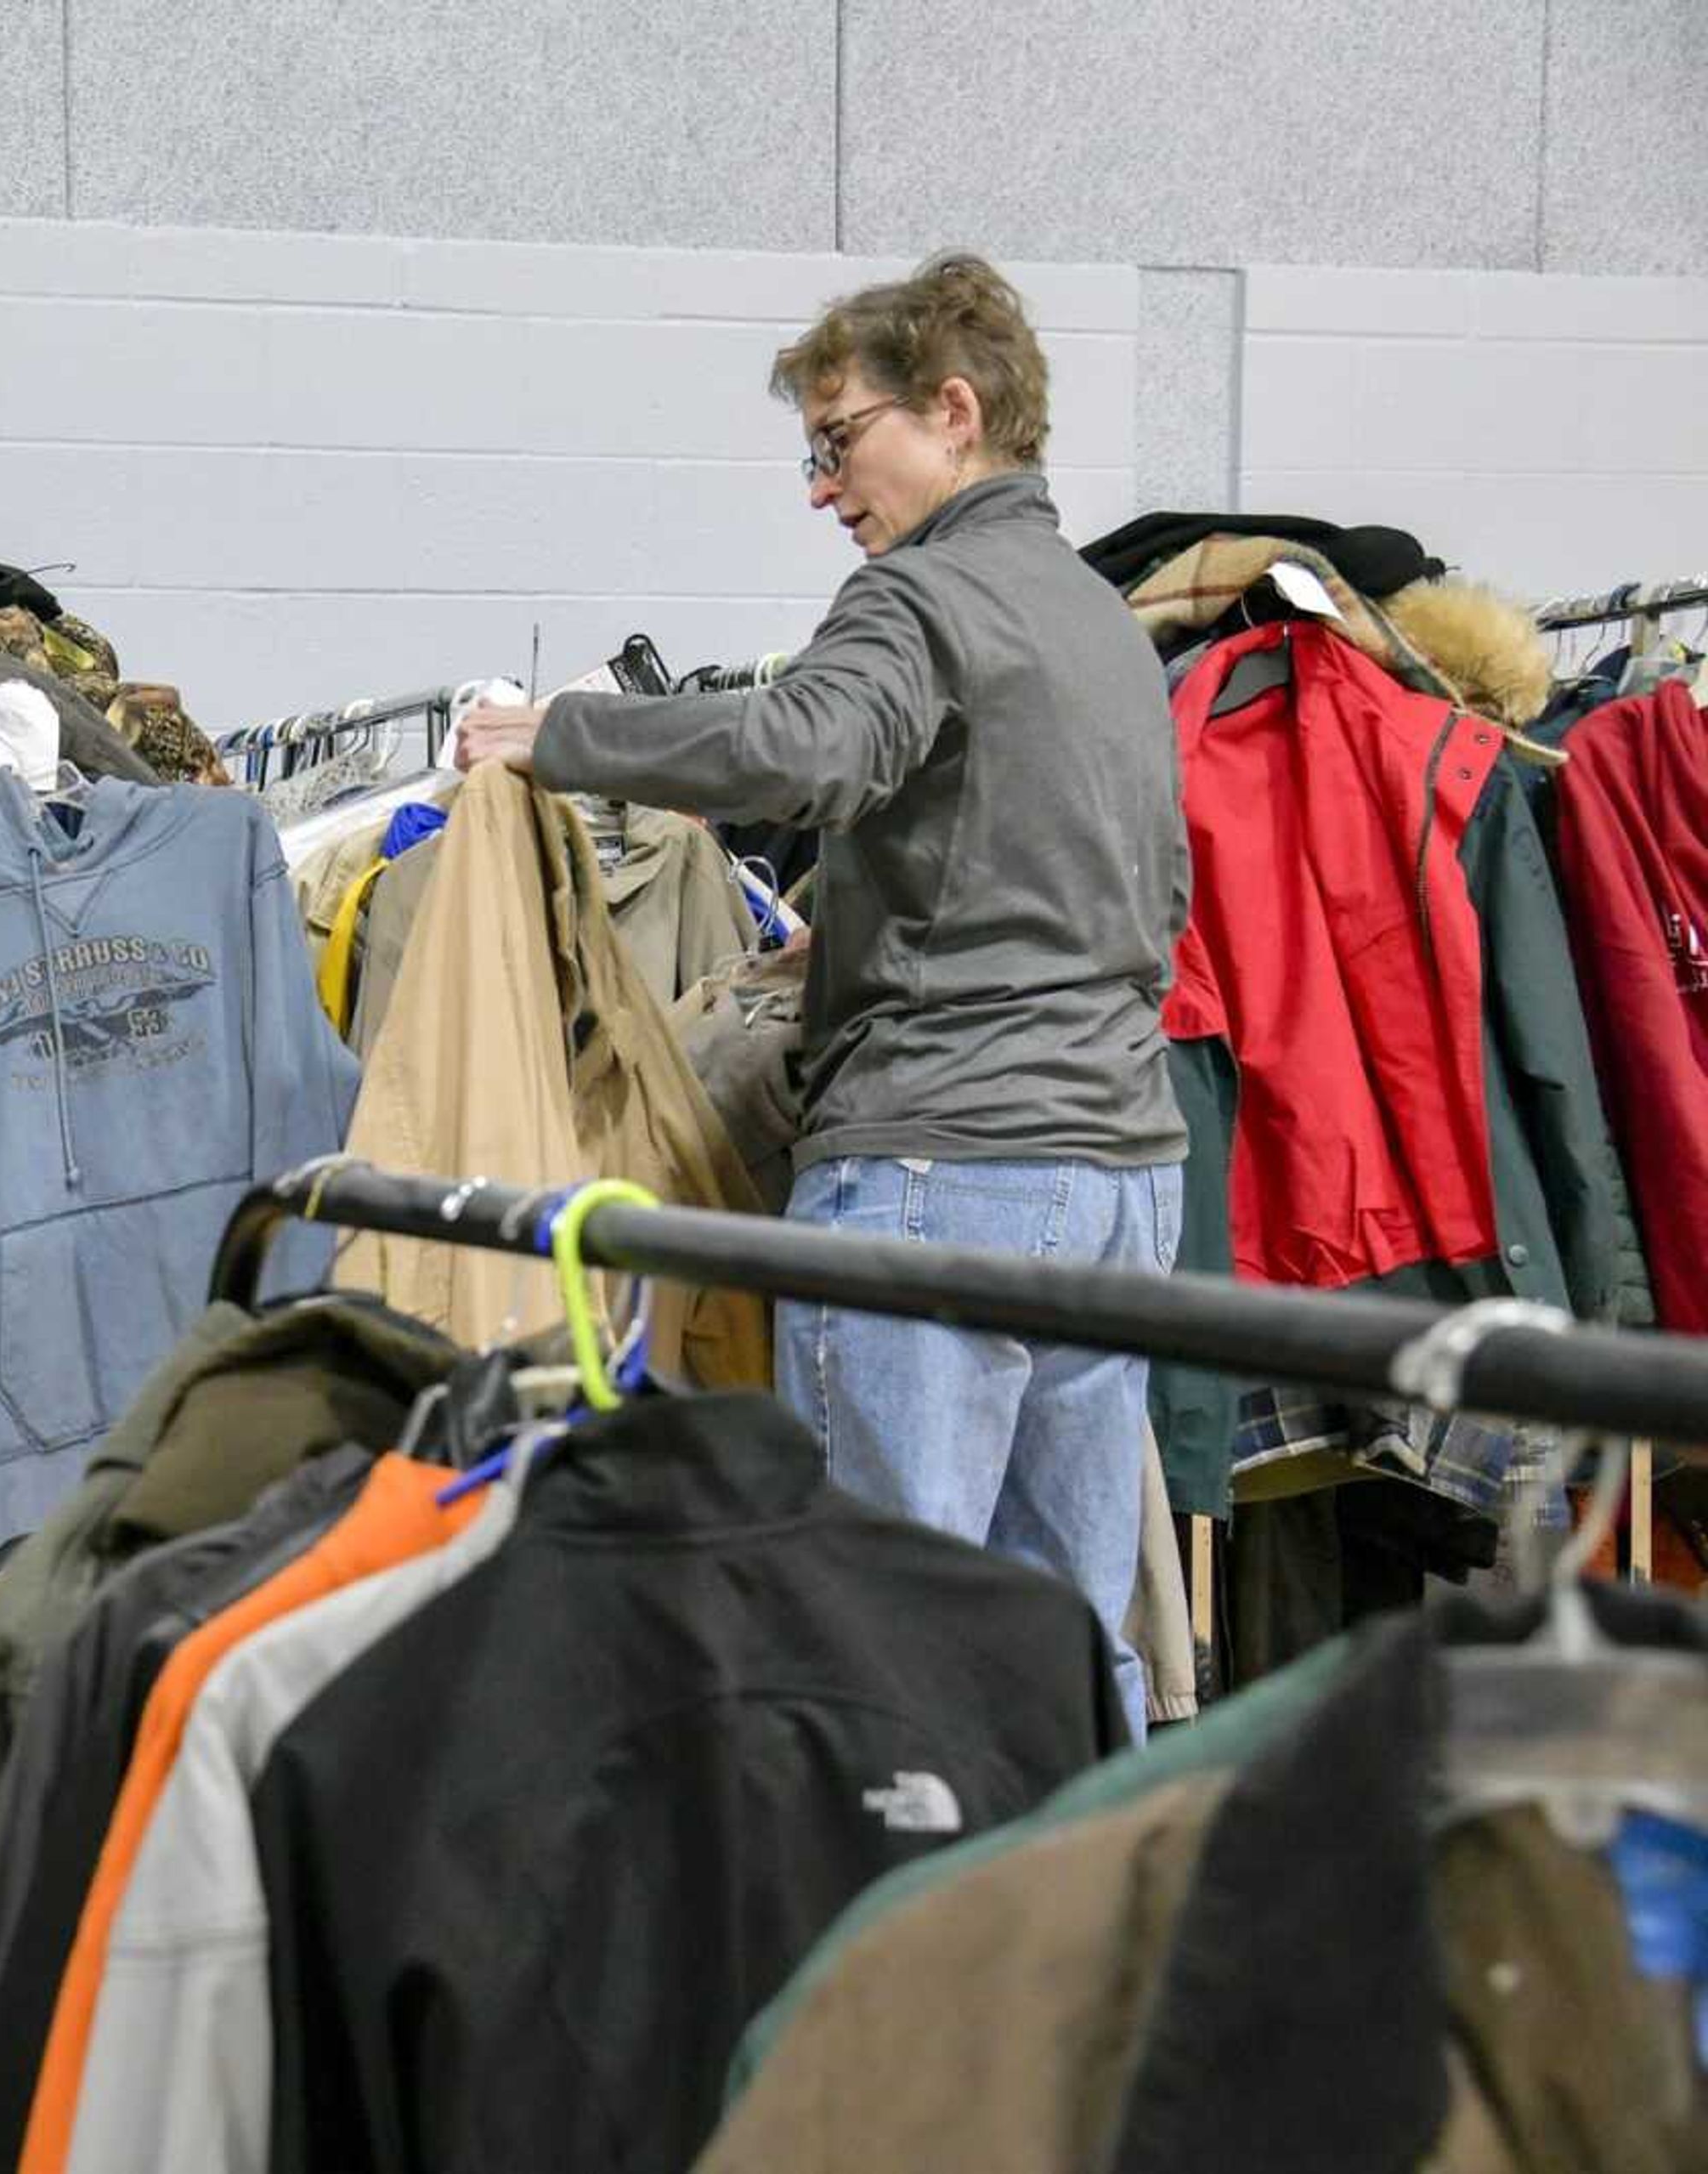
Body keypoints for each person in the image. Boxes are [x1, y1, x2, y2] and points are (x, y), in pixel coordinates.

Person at [458, 252, 1186, 1731]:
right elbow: (1129, 892)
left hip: (940, 1173)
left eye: (837, 440)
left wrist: (565, 733)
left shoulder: (917, 597)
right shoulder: (1107, 622)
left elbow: (811, 747)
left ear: (956, 412)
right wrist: (856, 935)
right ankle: (1071, 1953)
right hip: (1116, 1181)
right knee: (1065, 1648)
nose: (819, 488)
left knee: (879, 1655)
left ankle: (889, 1965)